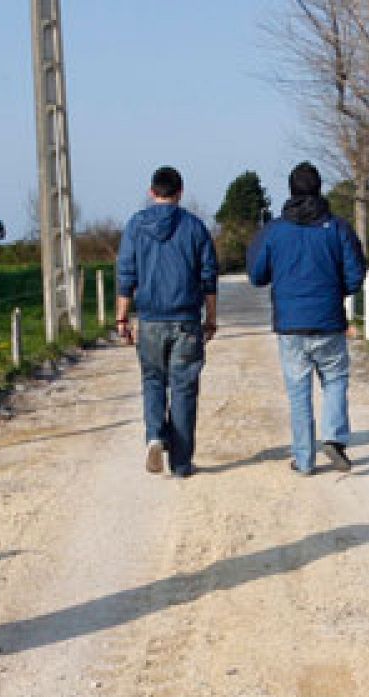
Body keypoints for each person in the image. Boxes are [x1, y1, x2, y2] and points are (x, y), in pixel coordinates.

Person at [246, 161, 367, 475]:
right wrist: (337, 292)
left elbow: (257, 275)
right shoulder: (338, 227)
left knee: (299, 392)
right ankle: (334, 438)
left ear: (290, 190)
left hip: (290, 325)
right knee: (336, 380)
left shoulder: (274, 230)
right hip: (328, 320)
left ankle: (303, 459)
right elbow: (355, 274)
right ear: (318, 188)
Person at [115, 165, 219, 478]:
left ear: (152, 192)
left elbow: (126, 274)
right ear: (180, 192)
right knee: (184, 389)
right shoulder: (195, 227)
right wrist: (211, 318)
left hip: (149, 320)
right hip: (186, 320)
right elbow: (208, 278)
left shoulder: (135, 226)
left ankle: (155, 436)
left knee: (152, 381)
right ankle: (182, 463)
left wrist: (122, 316)